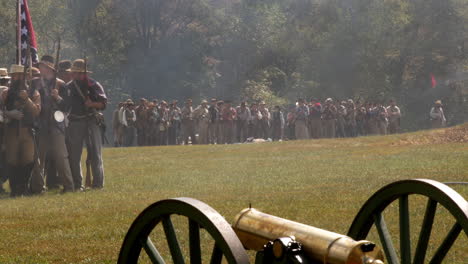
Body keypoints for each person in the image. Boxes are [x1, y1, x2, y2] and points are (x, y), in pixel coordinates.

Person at [30, 55, 74, 194]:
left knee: (61, 157)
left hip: (56, 125)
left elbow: (67, 107)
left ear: (48, 68)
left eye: (42, 66)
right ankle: (37, 188)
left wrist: (58, 97)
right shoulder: (34, 83)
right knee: (38, 159)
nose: (39, 68)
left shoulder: (61, 84)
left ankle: (68, 186)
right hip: (40, 124)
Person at [65, 59, 106, 190]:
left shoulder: (94, 85)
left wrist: (92, 104)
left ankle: (98, 184)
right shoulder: (68, 87)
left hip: (91, 120)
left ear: (85, 73)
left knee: (95, 154)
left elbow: (103, 104)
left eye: (79, 73)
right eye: (75, 73)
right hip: (75, 122)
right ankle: (78, 185)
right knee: (74, 155)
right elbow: (64, 105)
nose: (76, 75)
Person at [2, 64, 41, 197]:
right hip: (11, 131)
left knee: (28, 160)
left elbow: (36, 111)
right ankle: (14, 189)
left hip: (27, 131)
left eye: (19, 75)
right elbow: (1, 110)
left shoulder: (33, 93)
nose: (16, 78)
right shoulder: (5, 93)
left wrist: (27, 99)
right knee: (12, 160)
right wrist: (9, 113)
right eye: (14, 75)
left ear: (24, 76)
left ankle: (23, 188)